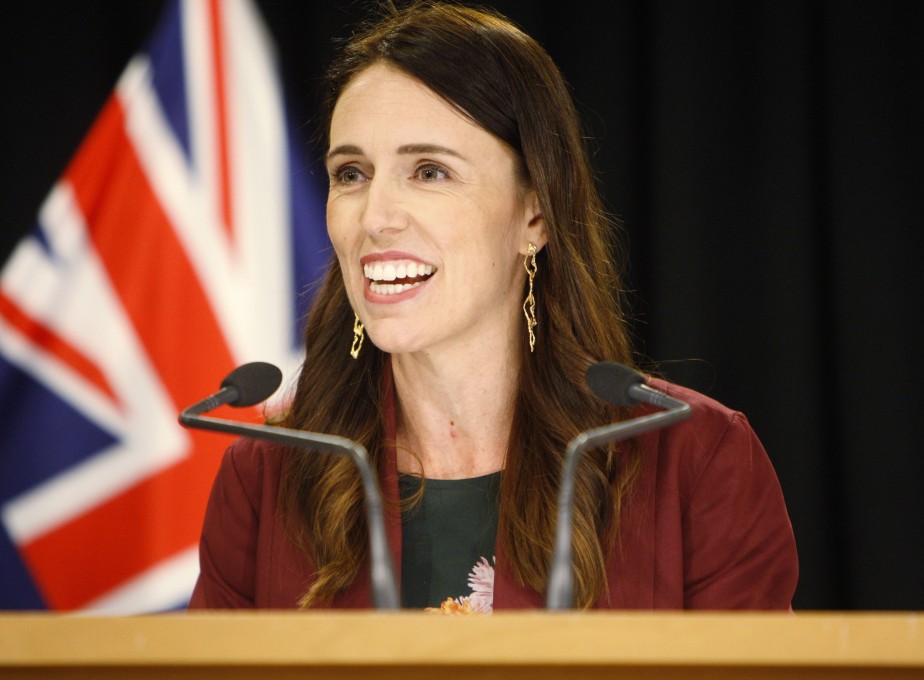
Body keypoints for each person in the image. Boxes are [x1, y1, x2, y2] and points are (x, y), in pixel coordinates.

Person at [188, 1, 798, 612]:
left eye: (429, 172)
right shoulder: (266, 479)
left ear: (534, 213)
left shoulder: (693, 460)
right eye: (351, 174)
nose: (373, 218)